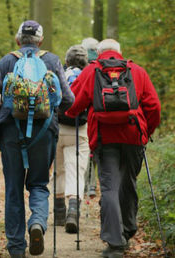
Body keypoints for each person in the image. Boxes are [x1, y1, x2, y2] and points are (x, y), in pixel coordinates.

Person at [0, 20, 74, 257]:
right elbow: (69, 99)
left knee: (13, 188)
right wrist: (51, 108)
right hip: (44, 133)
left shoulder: (6, 61)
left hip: (11, 132)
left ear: (17, 40)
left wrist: (3, 102)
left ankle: (15, 247)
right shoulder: (52, 61)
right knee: (39, 183)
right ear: (40, 41)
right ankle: (37, 224)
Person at [65, 39, 161, 258]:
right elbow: (154, 106)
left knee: (109, 187)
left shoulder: (91, 71)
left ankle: (114, 243)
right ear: (119, 52)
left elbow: (72, 103)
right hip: (133, 135)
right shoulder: (136, 71)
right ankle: (127, 230)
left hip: (103, 136)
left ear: (98, 54)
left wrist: (71, 114)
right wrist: (147, 130)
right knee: (129, 182)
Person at [54, 45, 90, 233]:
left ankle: (59, 212)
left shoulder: (59, 74)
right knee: (75, 169)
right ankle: (73, 212)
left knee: (59, 170)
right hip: (79, 129)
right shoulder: (88, 76)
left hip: (57, 127)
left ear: (66, 61)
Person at [81, 37, 99, 198]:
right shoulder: (101, 65)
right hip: (98, 114)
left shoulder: (83, 66)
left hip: (83, 114)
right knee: (93, 152)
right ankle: (92, 185)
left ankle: (87, 185)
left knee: (86, 151)